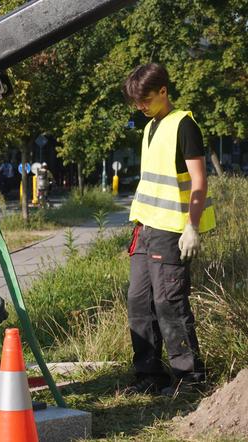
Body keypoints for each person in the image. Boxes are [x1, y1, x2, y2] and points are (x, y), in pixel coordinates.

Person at [122, 63, 215, 396]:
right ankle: (149, 374)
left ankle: (189, 379)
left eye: (145, 100)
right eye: (137, 102)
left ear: (163, 91)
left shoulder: (184, 125)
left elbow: (199, 181)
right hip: (146, 228)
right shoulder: (149, 126)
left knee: (169, 304)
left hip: (172, 231)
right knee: (138, 301)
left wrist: (192, 226)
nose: (140, 107)